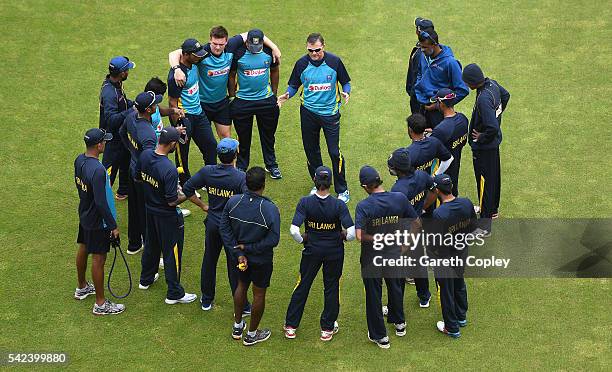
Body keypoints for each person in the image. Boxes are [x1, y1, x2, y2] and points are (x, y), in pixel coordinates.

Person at [169, 26, 282, 139]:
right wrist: (177, 69)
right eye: (214, 43)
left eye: (221, 44)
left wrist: (274, 47)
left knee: (227, 139)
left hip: (222, 103)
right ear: (210, 40)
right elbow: (174, 53)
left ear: (226, 42)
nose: (217, 47)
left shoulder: (231, 47)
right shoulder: (202, 53)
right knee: (202, 140)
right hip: (202, 104)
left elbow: (251, 34)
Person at [277, 33, 351, 203]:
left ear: (323, 46)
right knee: (311, 150)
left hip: (330, 114)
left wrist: (346, 92)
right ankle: (319, 184)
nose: (314, 54)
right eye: (310, 50)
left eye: (317, 50)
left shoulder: (334, 62)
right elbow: (294, 85)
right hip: (308, 113)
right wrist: (287, 95)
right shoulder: (301, 64)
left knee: (334, 152)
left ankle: (342, 188)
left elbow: (346, 82)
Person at [283, 166, 355, 341]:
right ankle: (327, 329)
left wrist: (303, 240)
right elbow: (352, 233)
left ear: (315, 180)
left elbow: (293, 230)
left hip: (312, 251)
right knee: (331, 287)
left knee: (303, 284)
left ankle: (291, 326)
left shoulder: (305, 202)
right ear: (330, 183)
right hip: (334, 252)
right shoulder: (339, 205)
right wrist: (342, 236)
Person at [182, 138, 252, 315]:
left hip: (213, 222)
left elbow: (188, 189)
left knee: (209, 259)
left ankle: (206, 299)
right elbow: (247, 203)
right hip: (231, 227)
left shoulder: (208, 171)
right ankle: (242, 305)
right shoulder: (241, 177)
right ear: (235, 154)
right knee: (234, 263)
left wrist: (204, 206)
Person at [355, 166, 418, 349]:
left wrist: (376, 238)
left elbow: (360, 236)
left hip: (371, 257)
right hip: (394, 253)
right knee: (395, 287)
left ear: (365, 186)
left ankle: (380, 336)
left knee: (374, 295)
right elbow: (416, 222)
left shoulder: (364, 206)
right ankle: (399, 324)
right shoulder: (399, 198)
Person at [138, 127, 200, 305]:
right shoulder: (169, 169)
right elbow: (172, 201)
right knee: (172, 252)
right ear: (172, 144)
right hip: (167, 216)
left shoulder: (145, 155)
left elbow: (138, 178)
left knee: (151, 244)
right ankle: (174, 292)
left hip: (150, 210)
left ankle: (146, 279)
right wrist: (187, 194)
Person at [219, 167, 280, 346]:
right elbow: (273, 239)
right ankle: (252, 334)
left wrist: (239, 253)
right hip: (260, 259)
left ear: (246, 183)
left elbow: (225, 229)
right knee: (259, 293)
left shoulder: (233, 202)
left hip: (240, 258)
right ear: (263, 184)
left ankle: (238, 326)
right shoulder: (269, 208)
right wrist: (248, 249)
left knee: (241, 285)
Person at [74, 128, 124, 315]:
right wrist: (113, 226)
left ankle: (82, 287)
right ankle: (101, 304)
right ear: (98, 145)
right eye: (104, 141)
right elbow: (101, 202)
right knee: (99, 258)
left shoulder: (79, 160)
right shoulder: (98, 170)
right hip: (98, 221)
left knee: (84, 247)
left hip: (85, 214)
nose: (106, 143)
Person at [462, 63, 510, 234]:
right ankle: (492, 211)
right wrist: (498, 114)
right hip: (493, 145)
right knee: (493, 178)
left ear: (473, 82)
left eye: (467, 82)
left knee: (484, 182)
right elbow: (506, 96)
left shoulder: (483, 99)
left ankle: (484, 225)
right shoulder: (493, 84)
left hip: (484, 147)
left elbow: (492, 128)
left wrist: (481, 136)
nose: (467, 85)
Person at [228, 29, 282, 179]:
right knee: (243, 137)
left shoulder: (269, 52)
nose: (255, 49)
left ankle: (271, 165)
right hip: (243, 101)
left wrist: (274, 94)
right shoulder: (238, 54)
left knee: (268, 136)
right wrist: (232, 97)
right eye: (252, 46)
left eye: (257, 47)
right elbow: (231, 75)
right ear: (246, 42)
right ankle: (242, 165)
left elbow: (275, 70)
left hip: (266, 100)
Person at [429, 174, 476, 338]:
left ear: (437, 190)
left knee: (445, 291)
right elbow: (473, 227)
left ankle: (452, 327)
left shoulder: (439, 213)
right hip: (461, 253)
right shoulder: (467, 203)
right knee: (459, 282)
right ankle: (461, 316)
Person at [167, 38, 218, 186]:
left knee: (210, 145)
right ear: (187, 54)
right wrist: (178, 125)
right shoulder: (177, 77)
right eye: (196, 54)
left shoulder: (194, 61)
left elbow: (174, 52)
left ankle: (211, 178)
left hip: (199, 114)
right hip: (185, 117)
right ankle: (185, 184)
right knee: (182, 153)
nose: (200, 56)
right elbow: (172, 102)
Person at [387, 148, 433, 307]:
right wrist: (423, 208)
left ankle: (395, 307)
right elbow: (434, 190)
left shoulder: (398, 190)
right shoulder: (421, 175)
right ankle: (424, 297)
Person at [119, 91, 161, 255]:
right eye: (155, 105)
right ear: (149, 109)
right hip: (142, 176)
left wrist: (131, 151)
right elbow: (149, 160)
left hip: (133, 168)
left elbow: (122, 133)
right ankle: (152, 253)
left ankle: (134, 244)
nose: (157, 106)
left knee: (134, 209)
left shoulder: (130, 116)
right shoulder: (148, 134)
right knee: (148, 214)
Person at [144, 77, 191, 218]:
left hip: (161, 146)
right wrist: (172, 133)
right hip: (157, 150)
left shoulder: (152, 105)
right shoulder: (147, 113)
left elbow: (161, 111)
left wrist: (174, 111)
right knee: (167, 179)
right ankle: (174, 207)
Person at [413, 30, 468, 128]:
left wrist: (438, 106)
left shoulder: (450, 63)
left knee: (439, 141)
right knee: (422, 139)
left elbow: (462, 90)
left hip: (439, 112)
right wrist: (419, 86)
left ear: (435, 45)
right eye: (420, 46)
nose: (422, 50)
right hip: (422, 106)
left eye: (425, 47)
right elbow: (420, 72)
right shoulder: (424, 55)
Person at [99, 56, 135, 200]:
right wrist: (132, 111)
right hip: (112, 138)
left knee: (126, 161)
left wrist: (134, 103)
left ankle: (123, 191)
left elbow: (124, 103)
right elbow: (112, 120)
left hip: (122, 134)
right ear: (121, 73)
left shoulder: (117, 83)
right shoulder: (109, 93)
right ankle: (100, 201)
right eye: (127, 70)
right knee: (108, 172)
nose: (128, 72)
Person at [429, 89, 469, 196]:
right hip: (455, 164)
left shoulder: (441, 129)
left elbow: (429, 150)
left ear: (441, 104)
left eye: (437, 102)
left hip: (442, 169)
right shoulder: (463, 119)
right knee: (452, 190)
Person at [406, 17, 434, 114]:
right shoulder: (431, 48)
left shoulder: (422, 54)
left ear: (419, 32)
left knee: (418, 124)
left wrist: (414, 94)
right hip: (422, 97)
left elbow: (419, 78)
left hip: (420, 99)